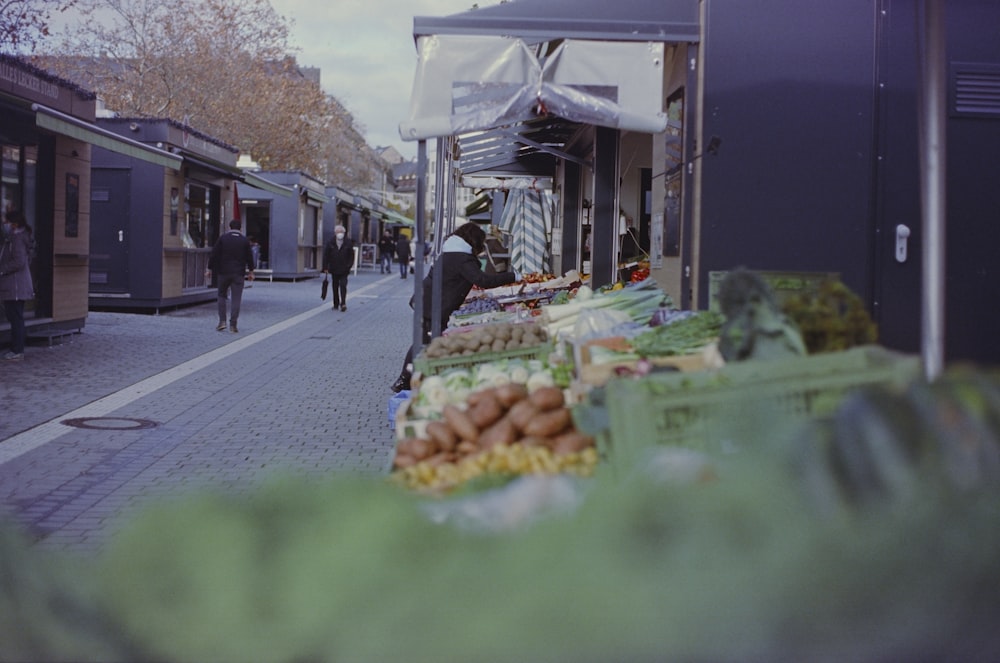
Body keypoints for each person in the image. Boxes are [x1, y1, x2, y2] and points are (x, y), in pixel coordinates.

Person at [391, 222, 518, 393]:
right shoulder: (462, 258)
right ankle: (405, 380)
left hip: (428, 302)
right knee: (424, 342)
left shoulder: (450, 253)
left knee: (426, 341)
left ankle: (418, 379)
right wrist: (513, 276)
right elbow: (483, 281)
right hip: (433, 306)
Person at [207, 219, 255, 333]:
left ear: (229, 227)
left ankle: (222, 321)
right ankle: (233, 325)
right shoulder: (244, 241)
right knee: (236, 299)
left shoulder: (223, 238)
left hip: (223, 272)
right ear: (240, 229)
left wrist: (209, 268)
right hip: (238, 273)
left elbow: (214, 254)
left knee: (221, 295)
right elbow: (249, 257)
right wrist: (251, 271)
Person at [0, 211, 35, 361]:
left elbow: (18, 262)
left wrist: (2, 269)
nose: (4, 224)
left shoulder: (16, 238)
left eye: (6, 222)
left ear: (13, 223)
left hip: (15, 285)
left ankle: (17, 350)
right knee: (16, 317)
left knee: (15, 318)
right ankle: (17, 349)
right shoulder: (16, 237)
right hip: (16, 285)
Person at [322, 224, 354, 312]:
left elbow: (351, 256)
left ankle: (343, 303)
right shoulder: (330, 242)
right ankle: (336, 303)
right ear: (335, 233)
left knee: (343, 285)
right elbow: (326, 255)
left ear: (344, 232)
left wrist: (349, 266)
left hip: (344, 269)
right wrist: (325, 267)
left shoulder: (348, 242)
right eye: (338, 232)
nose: (340, 233)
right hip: (334, 268)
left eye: (341, 232)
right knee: (335, 286)